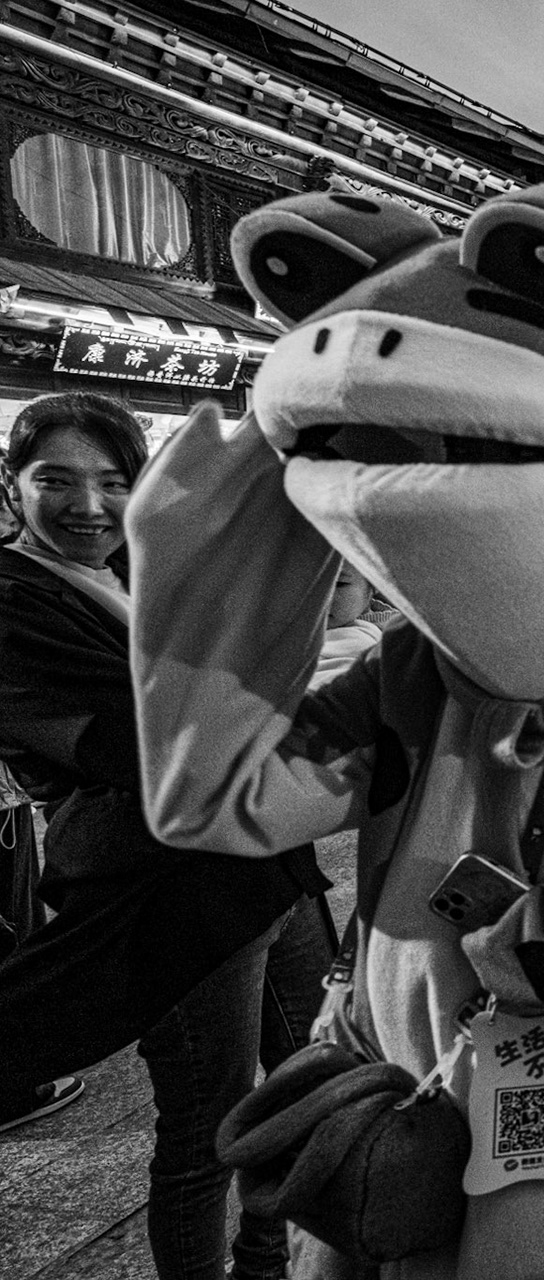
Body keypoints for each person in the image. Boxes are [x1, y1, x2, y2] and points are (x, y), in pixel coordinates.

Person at [0, 392, 332, 1278]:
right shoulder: (13, 603)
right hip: (167, 901)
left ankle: (270, 1263)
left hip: (267, 869)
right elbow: (127, 742)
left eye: (114, 482)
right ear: (11, 487)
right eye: (55, 481)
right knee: (205, 1129)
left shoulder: (144, 573)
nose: (88, 506)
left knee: (312, 1084)